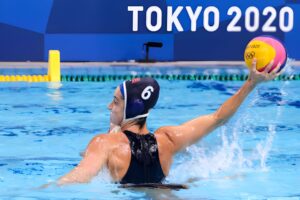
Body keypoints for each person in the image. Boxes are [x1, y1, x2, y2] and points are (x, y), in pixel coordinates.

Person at [53, 59, 282, 186]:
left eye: (115, 102)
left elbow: (77, 178)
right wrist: (251, 83)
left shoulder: (105, 144)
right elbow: (218, 118)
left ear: (131, 109)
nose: (108, 107)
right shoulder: (169, 140)